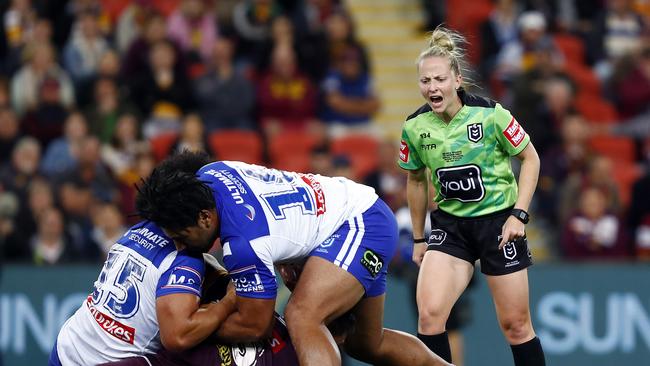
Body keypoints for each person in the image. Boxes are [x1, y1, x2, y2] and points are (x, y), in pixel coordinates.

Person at [135, 151, 451, 366]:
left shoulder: (244, 244)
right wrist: (294, 248)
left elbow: (255, 326)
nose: (178, 246)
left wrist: (190, 328)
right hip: (352, 210)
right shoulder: (212, 173)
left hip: (358, 223)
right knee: (367, 344)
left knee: (302, 315)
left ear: (205, 218)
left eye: (181, 236)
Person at [398, 27, 545, 365]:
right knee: (430, 316)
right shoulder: (415, 127)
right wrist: (420, 238)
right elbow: (416, 180)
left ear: (457, 80)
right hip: (451, 227)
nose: (432, 87)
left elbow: (531, 158)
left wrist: (519, 214)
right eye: (425, 81)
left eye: (439, 79)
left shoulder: (492, 114)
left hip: (498, 224)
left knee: (516, 326)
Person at [48, 153, 238, 365]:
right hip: (101, 361)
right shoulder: (185, 256)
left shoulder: (138, 229)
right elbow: (179, 336)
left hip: (68, 345)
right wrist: (229, 302)